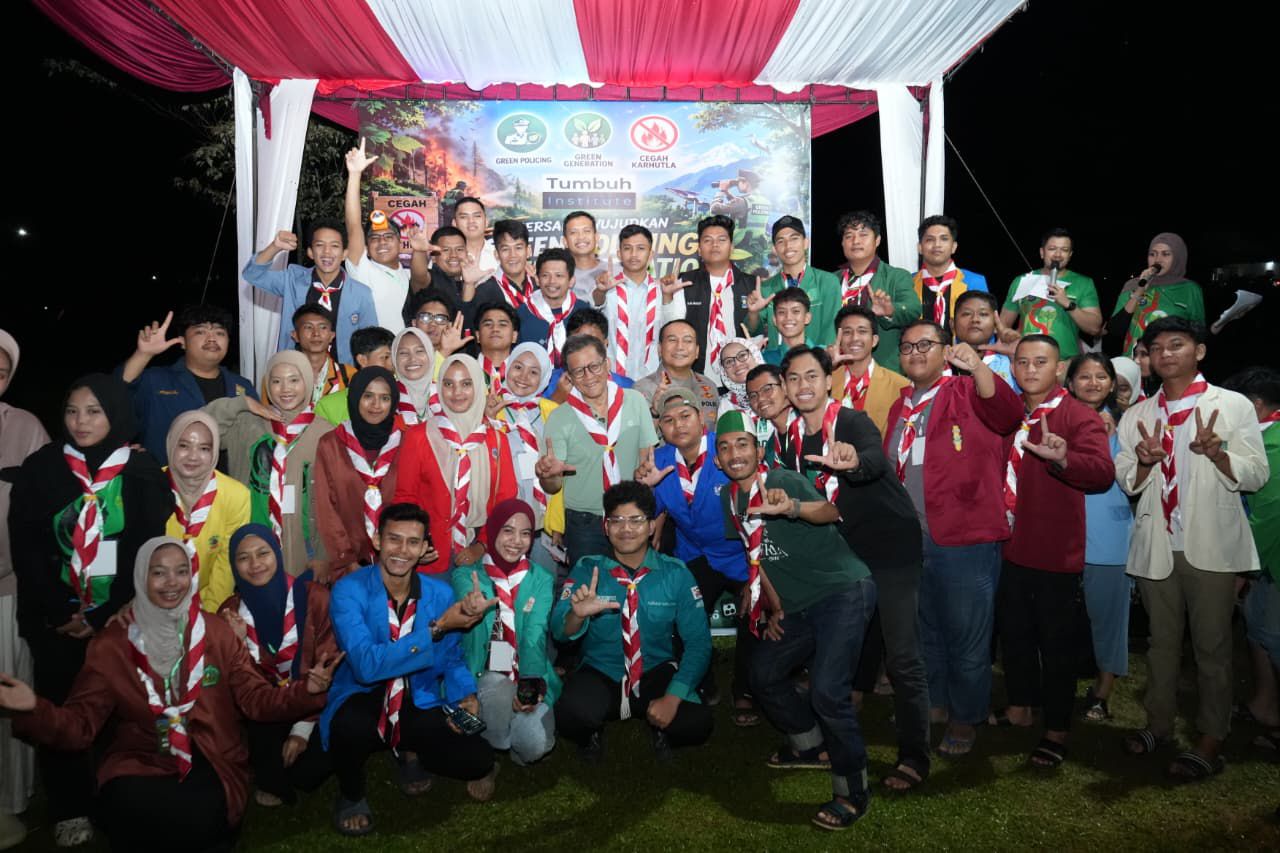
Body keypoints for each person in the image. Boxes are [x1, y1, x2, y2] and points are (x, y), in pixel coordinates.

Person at [3, 536, 337, 851]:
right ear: (140, 578)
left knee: (201, 818)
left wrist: (306, 691)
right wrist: (34, 708)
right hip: (142, 756)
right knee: (126, 807)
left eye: (181, 571)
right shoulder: (113, 645)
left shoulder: (216, 633)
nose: (171, 583)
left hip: (212, 753)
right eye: (158, 573)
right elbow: (80, 725)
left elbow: (256, 700)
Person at [9, 374, 170, 847]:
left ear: (115, 414)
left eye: (94, 411)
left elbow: (145, 547)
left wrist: (101, 615)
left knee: (119, 711)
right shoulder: (43, 467)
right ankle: (69, 806)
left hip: (118, 618)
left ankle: (116, 795)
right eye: (73, 411)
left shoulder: (139, 471)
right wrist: (62, 611)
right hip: (55, 620)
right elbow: (27, 545)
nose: (81, 422)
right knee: (61, 706)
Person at [1116, 317, 1268, 780]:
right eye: (1157, 348)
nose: (1165, 354)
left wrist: (1219, 453)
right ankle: (1158, 725)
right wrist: (1145, 463)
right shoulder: (1139, 415)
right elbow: (1126, 479)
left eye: (1177, 345)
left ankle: (1210, 738)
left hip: (1211, 545)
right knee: (1160, 645)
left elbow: (1257, 474)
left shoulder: (1232, 406)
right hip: (1157, 543)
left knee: (1212, 647)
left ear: (1199, 351)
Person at [776, 346, 932, 791]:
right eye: (794, 378)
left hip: (890, 547)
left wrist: (854, 462)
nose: (803, 386)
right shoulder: (789, 441)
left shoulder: (850, 421)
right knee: (844, 646)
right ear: (785, 387)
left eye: (812, 376)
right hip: (845, 554)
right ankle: (834, 732)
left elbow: (874, 459)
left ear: (829, 380)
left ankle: (914, 756)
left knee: (901, 655)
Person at [714, 410, 877, 830]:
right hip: (798, 604)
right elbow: (756, 555)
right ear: (717, 459)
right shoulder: (728, 498)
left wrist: (792, 508)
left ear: (759, 451)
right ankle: (809, 746)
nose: (734, 453)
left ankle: (853, 791)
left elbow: (830, 511)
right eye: (725, 447)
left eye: (742, 444)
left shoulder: (783, 480)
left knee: (828, 692)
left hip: (842, 590)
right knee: (763, 671)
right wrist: (774, 606)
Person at [884, 322, 1022, 756]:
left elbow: (1008, 414)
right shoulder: (901, 405)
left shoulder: (965, 390)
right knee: (928, 630)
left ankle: (966, 717)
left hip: (965, 538)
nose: (915, 351)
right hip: (912, 540)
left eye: (925, 344)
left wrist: (978, 367)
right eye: (907, 346)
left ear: (947, 351)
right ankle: (937, 702)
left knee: (967, 637)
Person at [320, 503, 496, 835]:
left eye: (413, 542)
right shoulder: (348, 590)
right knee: (344, 731)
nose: (402, 550)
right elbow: (366, 666)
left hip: (418, 693)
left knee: (479, 759)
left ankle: (409, 749)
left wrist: (466, 694)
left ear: (425, 547)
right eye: (394, 539)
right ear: (377, 540)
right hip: (364, 693)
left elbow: (452, 658)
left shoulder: (439, 592)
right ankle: (352, 795)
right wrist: (436, 629)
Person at [990, 336, 1114, 769]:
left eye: (1040, 362)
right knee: (1015, 635)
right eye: (1022, 362)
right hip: (1009, 545)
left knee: (1057, 645)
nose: (1030, 370)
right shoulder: (1012, 414)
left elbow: (1101, 473)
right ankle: (1020, 707)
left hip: (1054, 550)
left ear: (1059, 369)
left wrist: (1063, 459)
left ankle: (1057, 728)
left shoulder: (1077, 415)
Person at [552, 481, 713, 763]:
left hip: (655, 670)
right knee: (570, 715)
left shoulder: (675, 573)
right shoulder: (588, 569)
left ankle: (661, 726)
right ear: (606, 527)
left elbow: (699, 643)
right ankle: (591, 733)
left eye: (636, 520)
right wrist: (577, 615)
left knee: (697, 723)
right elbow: (559, 633)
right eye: (617, 520)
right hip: (602, 671)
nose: (626, 529)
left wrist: (673, 697)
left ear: (651, 526)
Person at [639, 388, 758, 725]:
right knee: (684, 614)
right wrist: (646, 489)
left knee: (753, 614)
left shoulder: (728, 449)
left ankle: (744, 690)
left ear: (702, 418)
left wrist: (755, 575)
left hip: (740, 554)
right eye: (668, 420)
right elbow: (645, 512)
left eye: (685, 416)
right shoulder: (659, 460)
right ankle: (701, 682)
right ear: (660, 427)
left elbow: (754, 513)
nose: (678, 425)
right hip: (694, 554)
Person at [220, 524, 337, 807]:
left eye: (263, 553)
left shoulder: (314, 597)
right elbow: (245, 689)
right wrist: (236, 644)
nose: (255, 564)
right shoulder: (230, 614)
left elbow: (328, 666)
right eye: (243, 558)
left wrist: (301, 731)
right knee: (268, 756)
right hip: (267, 708)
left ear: (277, 554)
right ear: (234, 565)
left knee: (307, 773)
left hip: (316, 703)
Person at [205, 352, 334, 578]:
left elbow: (334, 502)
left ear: (307, 381)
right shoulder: (247, 423)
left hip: (304, 551)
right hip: (250, 549)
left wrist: (324, 555)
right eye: (276, 381)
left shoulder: (326, 433)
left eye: (294, 380)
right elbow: (197, 426)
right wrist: (242, 403)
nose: (285, 388)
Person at [451, 499, 560, 765]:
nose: (516, 541)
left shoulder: (541, 578)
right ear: (493, 532)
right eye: (508, 530)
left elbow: (535, 634)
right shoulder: (468, 575)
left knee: (536, 745)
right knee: (498, 689)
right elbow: (466, 600)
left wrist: (529, 685)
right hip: (483, 670)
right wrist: (470, 607)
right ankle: (491, 750)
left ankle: (509, 740)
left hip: (526, 667)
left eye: (525, 533)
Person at [538, 335, 658, 571]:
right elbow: (552, 487)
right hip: (584, 524)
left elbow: (647, 459)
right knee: (589, 589)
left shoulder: (634, 401)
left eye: (594, 366)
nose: (589, 376)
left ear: (607, 364)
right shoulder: (559, 417)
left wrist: (645, 476)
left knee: (633, 586)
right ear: (569, 377)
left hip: (631, 516)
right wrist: (549, 475)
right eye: (579, 371)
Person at [1066, 354, 1134, 721]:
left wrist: (1113, 438)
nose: (1093, 383)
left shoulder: (1128, 426)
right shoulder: (1056, 420)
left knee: (1108, 617)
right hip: (1062, 534)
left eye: (1101, 376)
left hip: (1109, 536)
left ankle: (1102, 691)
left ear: (1111, 384)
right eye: (1084, 376)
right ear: (1070, 382)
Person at [0, 329, 48, 848]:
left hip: (9, 587)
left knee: (10, 694)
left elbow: (46, 506)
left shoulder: (26, 427)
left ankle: (10, 802)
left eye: (2, 370)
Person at [1221, 367, 1280, 744]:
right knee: (1258, 630)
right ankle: (1264, 705)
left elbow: (1269, 515)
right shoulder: (1263, 437)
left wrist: (1241, 567)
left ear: (1255, 406)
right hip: (1265, 561)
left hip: (1271, 559)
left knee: (1273, 635)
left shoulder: (1274, 444)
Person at [119, 305, 256, 465]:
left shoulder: (243, 386)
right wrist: (142, 355)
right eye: (200, 332)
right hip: (165, 478)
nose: (212, 338)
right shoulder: (156, 380)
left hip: (230, 480)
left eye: (220, 333)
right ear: (183, 342)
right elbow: (116, 396)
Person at [314, 368, 414, 582]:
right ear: (355, 397)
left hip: (400, 560)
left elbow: (414, 501)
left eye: (385, 398)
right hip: (347, 564)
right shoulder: (330, 444)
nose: (376, 405)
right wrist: (347, 559)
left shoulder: (407, 443)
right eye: (368, 396)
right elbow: (326, 507)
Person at [243, 222, 377, 363]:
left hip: (342, 371)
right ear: (310, 252)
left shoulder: (361, 293)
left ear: (344, 254)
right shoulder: (293, 280)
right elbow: (252, 275)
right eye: (320, 245)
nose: (327, 252)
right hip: (296, 369)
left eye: (334, 246)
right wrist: (274, 247)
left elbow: (371, 341)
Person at [428, 354, 517, 567]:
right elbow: (407, 497)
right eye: (448, 384)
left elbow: (505, 498)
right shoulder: (422, 435)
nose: (457, 392)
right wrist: (419, 542)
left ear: (478, 387)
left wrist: (482, 545)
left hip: (484, 543)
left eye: (466, 384)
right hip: (432, 547)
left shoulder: (496, 438)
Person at [164, 411, 251, 613]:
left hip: (207, 602)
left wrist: (209, 615)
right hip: (154, 602)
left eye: (204, 448)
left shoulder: (235, 496)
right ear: (171, 443)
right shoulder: (151, 486)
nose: (193, 456)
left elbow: (226, 564)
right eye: (183, 445)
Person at [663, 215, 755, 385]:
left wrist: (754, 314)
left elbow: (757, 332)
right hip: (695, 380)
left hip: (740, 378)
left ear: (732, 247)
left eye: (721, 239)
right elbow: (672, 327)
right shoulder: (685, 282)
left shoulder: (750, 284)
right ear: (699, 249)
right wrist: (667, 297)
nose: (715, 245)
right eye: (707, 240)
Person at [592, 224, 686, 381]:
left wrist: (668, 296)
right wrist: (601, 291)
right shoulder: (607, 287)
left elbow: (673, 329)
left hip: (653, 379)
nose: (634, 254)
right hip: (612, 378)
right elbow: (595, 308)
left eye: (641, 248)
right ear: (619, 254)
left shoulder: (663, 289)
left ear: (650, 255)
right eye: (627, 248)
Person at [833, 211, 920, 373]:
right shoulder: (831, 280)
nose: (856, 241)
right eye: (849, 236)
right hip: (838, 370)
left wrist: (890, 311)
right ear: (842, 243)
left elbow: (914, 309)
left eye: (863, 234)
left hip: (884, 369)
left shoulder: (896, 276)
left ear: (877, 240)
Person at [492, 344, 557, 558]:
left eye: (534, 372)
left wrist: (558, 522)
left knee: (541, 575)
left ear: (544, 378)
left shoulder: (553, 413)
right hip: (500, 515)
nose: (523, 377)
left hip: (544, 516)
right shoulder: (490, 406)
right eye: (518, 367)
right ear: (508, 367)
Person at [1000, 228, 1103, 360]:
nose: (1058, 254)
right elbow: (1003, 323)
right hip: (1027, 360)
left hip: (1065, 362)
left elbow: (1094, 328)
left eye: (1064, 250)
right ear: (1042, 252)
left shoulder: (1084, 283)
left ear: (1070, 255)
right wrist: (1007, 335)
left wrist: (1067, 304)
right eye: (1052, 249)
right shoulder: (1021, 281)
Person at [344, 138, 410, 333]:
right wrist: (355, 174)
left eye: (388, 237)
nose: (381, 242)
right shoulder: (363, 269)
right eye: (374, 238)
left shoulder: (409, 276)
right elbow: (353, 225)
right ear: (366, 247)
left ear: (400, 243)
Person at [1105, 233, 1206, 358]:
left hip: (1170, 361)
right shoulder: (1133, 285)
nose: (1157, 260)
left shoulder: (1190, 289)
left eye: (1165, 254)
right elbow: (1115, 330)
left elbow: (1199, 332)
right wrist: (1139, 291)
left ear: (1178, 257)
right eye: (1152, 254)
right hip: (1134, 361)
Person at [750, 216, 839, 348]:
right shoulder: (766, 288)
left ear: (806, 243)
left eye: (794, 238)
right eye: (781, 241)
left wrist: (819, 358)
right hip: (777, 360)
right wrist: (753, 313)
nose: (788, 246)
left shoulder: (827, 282)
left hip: (815, 359)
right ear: (774, 248)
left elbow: (831, 331)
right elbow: (753, 332)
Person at [829, 303, 911, 437]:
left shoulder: (900, 386)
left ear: (874, 340)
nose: (855, 338)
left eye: (862, 331)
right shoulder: (826, 381)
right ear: (839, 340)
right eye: (847, 332)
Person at [632, 319, 720, 430]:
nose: (680, 347)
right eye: (672, 340)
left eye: (688, 341)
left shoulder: (709, 385)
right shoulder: (642, 389)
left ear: (697, 351)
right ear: (660, 349)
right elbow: (637, 437)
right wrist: (654, 413)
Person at [912, 215, 988, 342]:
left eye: (944, 239)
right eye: (930, 239)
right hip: (919, 352)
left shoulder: (975, 282)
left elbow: (985, 329)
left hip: (962, 353)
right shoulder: (908, 283)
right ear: (920, 247)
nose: (937, 245)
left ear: (954, 247)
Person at [543, 308, 635, 403]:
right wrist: (557, 399)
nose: (585, 351)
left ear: (605, 344)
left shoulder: (628, 387)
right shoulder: (548, 382)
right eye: (578, 344)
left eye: (593, 343)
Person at [314, 325, 395, 425]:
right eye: (385, 357)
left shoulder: (404, 398)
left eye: (394, 357)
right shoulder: (328, 407)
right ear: (362, 360)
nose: (392, 363)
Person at [518, 248, 587, 366]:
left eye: (559, 275)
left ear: (571, 281)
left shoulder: (584, 312)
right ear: (537, 279)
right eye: (545, 275)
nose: (552, 281)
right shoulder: (521, 314)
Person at [953, 291, 1019, 392]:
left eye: (983, 314)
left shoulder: (1009, 362)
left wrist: (1017, 354)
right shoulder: (940, 361)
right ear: (952, 324)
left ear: (996, 325)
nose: (975, 319)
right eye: (966, 314)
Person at [467, 220, 536, 316]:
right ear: (496, 254)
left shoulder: (540, 286)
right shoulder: (484, 292)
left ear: (528, 251)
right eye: (505, 249)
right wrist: (468, 284)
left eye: (518, 248)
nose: (513, 255)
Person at [289, 304, 353, 405]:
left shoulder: (349, 375)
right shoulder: (278, 376)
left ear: (332, 336)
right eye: (308, 327)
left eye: (323, 327)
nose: (316, 333)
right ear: (295, 335)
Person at [389, 327, 440, 425]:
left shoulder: (446, 393)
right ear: (394, 358)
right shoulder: (387, 396)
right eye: (403, 353)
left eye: (419, 351)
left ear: (430, 354)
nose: (412, 359)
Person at [745, 363, 793, 464]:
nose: (760, 399)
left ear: (784, 386)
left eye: (767, 389)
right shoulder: (770, 449)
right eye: (753, 395)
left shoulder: (812, 425)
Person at [757, 287, 816, 365]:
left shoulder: (825, 354)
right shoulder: (764, 360)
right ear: (774, 320)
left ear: (807, 318)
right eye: (782, 312)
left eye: (795, 311)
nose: (788, 317)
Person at [474, 302, 520, 391]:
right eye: (488, 324)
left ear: (514, 336)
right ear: (478, 335)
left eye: (502, 324)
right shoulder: (465, 371)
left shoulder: (525, 376)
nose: (495, 329)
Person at [564, 210, 608, 301]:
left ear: (596, 237)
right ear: (565, 242)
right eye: (573, 232)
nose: (581, 237)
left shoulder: (614, 272)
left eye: (586, 231)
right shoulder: (557, 276)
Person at [717, 336, 766, 417]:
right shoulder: (726, 406)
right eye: (729, 361)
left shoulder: (776, 389)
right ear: (724, 371)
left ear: (755, 356)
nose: (737, 364)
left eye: (742, 355)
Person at [452, 196, 498, 272]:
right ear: (454, 224)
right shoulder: (445, 258)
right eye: (464, 217)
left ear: (486, 222)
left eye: (477, 216)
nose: (471, 221)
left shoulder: (501, 255)